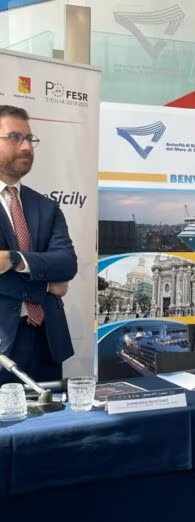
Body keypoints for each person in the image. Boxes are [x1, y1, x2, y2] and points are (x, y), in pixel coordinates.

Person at [0, 105, 76, 385]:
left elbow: (66, 264)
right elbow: (55, 278)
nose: (27, 146)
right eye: (15, 137)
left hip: (47, 341)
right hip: (4, 346)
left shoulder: (46, 207)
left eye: (30, 138)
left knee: (51, 413)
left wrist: (14, 259)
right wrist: (46, 287)